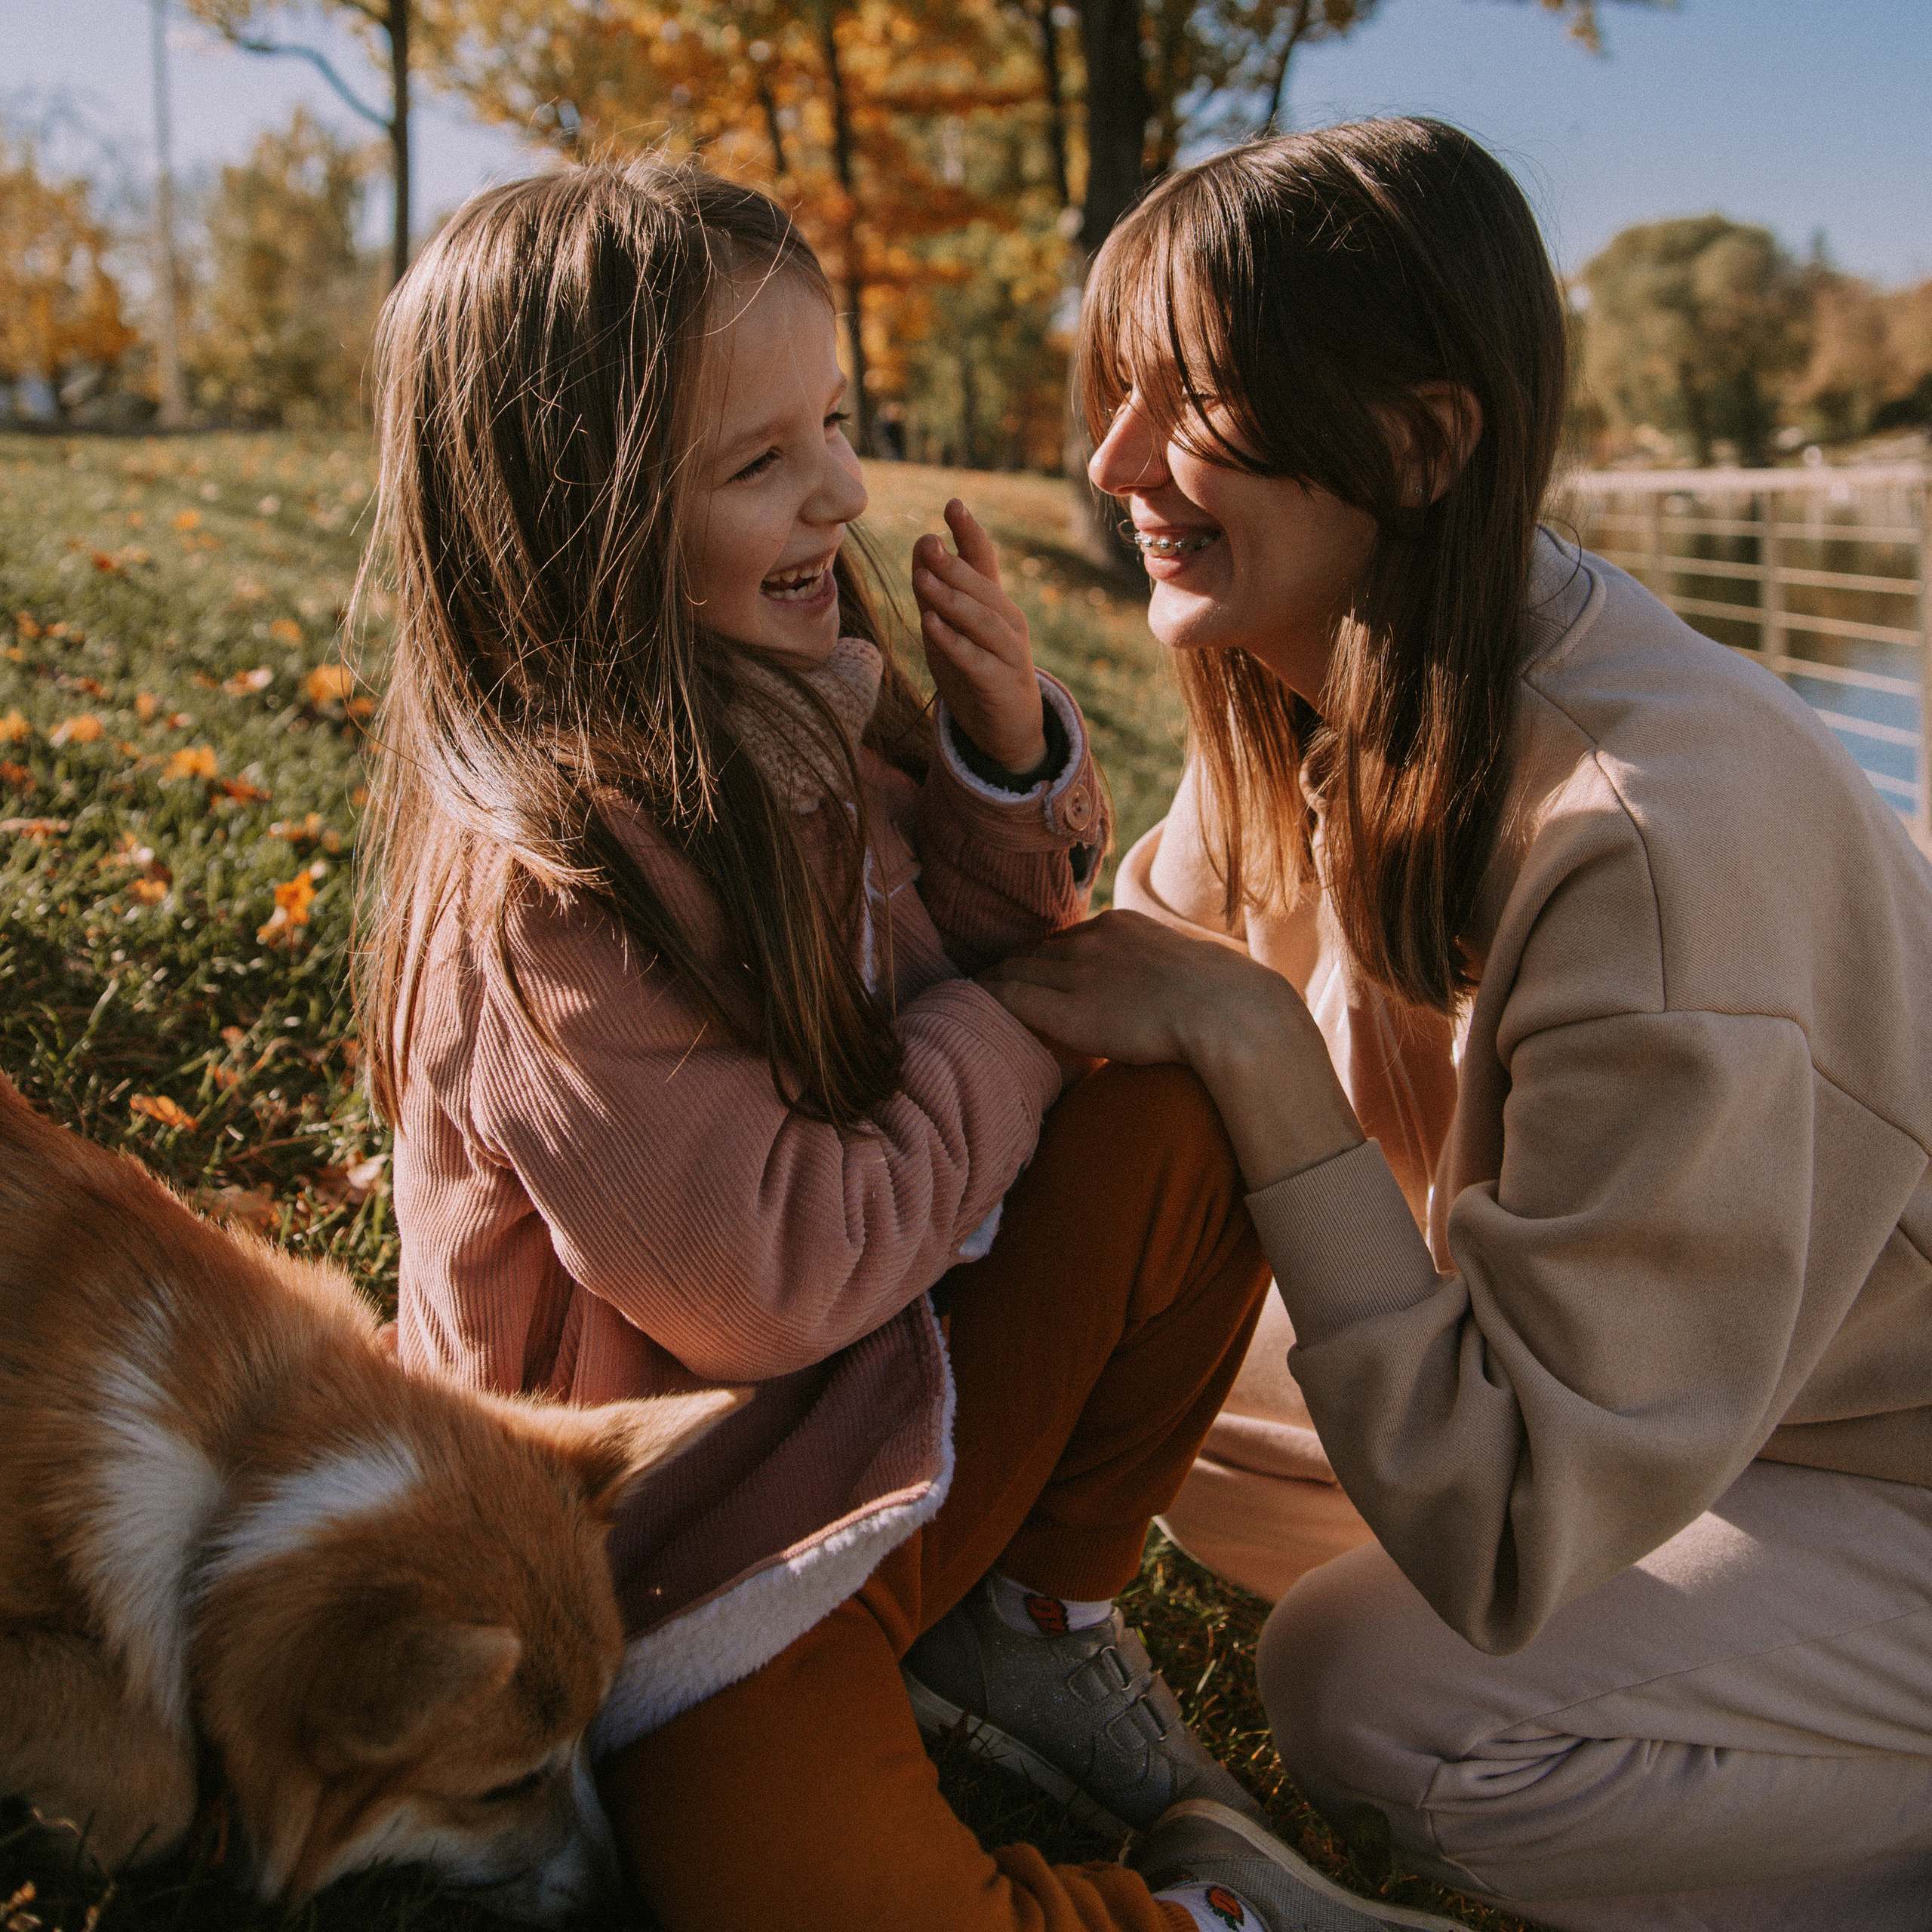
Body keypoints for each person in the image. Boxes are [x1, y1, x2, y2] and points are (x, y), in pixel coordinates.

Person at [356, 158, 1453, 1932]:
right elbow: (775, 1279)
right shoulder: (542, 907)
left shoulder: (799, 703)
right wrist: (1005, 1029)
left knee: (1177, 1117)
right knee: (792, 1877)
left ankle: (1024, 1614)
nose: (845, 490)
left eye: (835, 424)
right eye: (761, 462)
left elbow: (978, 962)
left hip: (881, 1411)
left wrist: (1000, 766)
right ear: (577, 520)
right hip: (676, 1555)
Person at [986, 118, 1932, 1930]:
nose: (1112, 462)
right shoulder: (1320, 678)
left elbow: (1501, 1523)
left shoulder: (1649, 842)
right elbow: (1133, 974)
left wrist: (1262, 1054)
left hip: (1882, 1467)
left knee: (1375, 1688)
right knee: (1178, 1399)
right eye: (1116, 391)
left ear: (1421, 442)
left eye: (1193, 401)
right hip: (1690, 1411)